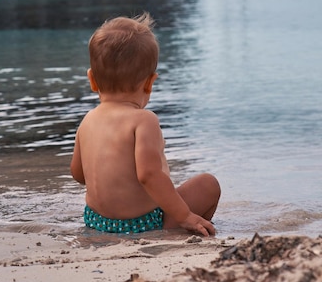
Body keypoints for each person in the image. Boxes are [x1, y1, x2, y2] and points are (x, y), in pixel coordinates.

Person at [70, 13, 220, 236]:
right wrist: (184, 215)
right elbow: (148, 175)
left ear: (92, 80)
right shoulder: (144, 119)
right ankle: (186, 226)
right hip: (142, 224)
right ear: (150, 82)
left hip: (97, 221)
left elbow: (78, 174)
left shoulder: (88, 120)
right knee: (208, 184)